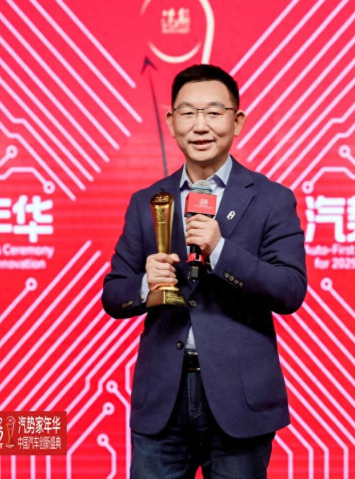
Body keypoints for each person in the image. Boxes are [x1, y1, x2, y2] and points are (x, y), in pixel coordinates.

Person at [101, 64, 307, 478]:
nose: (200, 126)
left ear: (237, 121)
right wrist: (146, 284)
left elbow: (289, 290)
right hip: (163, 399)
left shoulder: (271, 199)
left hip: (239, 399)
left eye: (213, 112)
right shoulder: (147, 201)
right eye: (188, 113)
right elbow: (113, 294)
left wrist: (221, 251)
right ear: (171, 122)